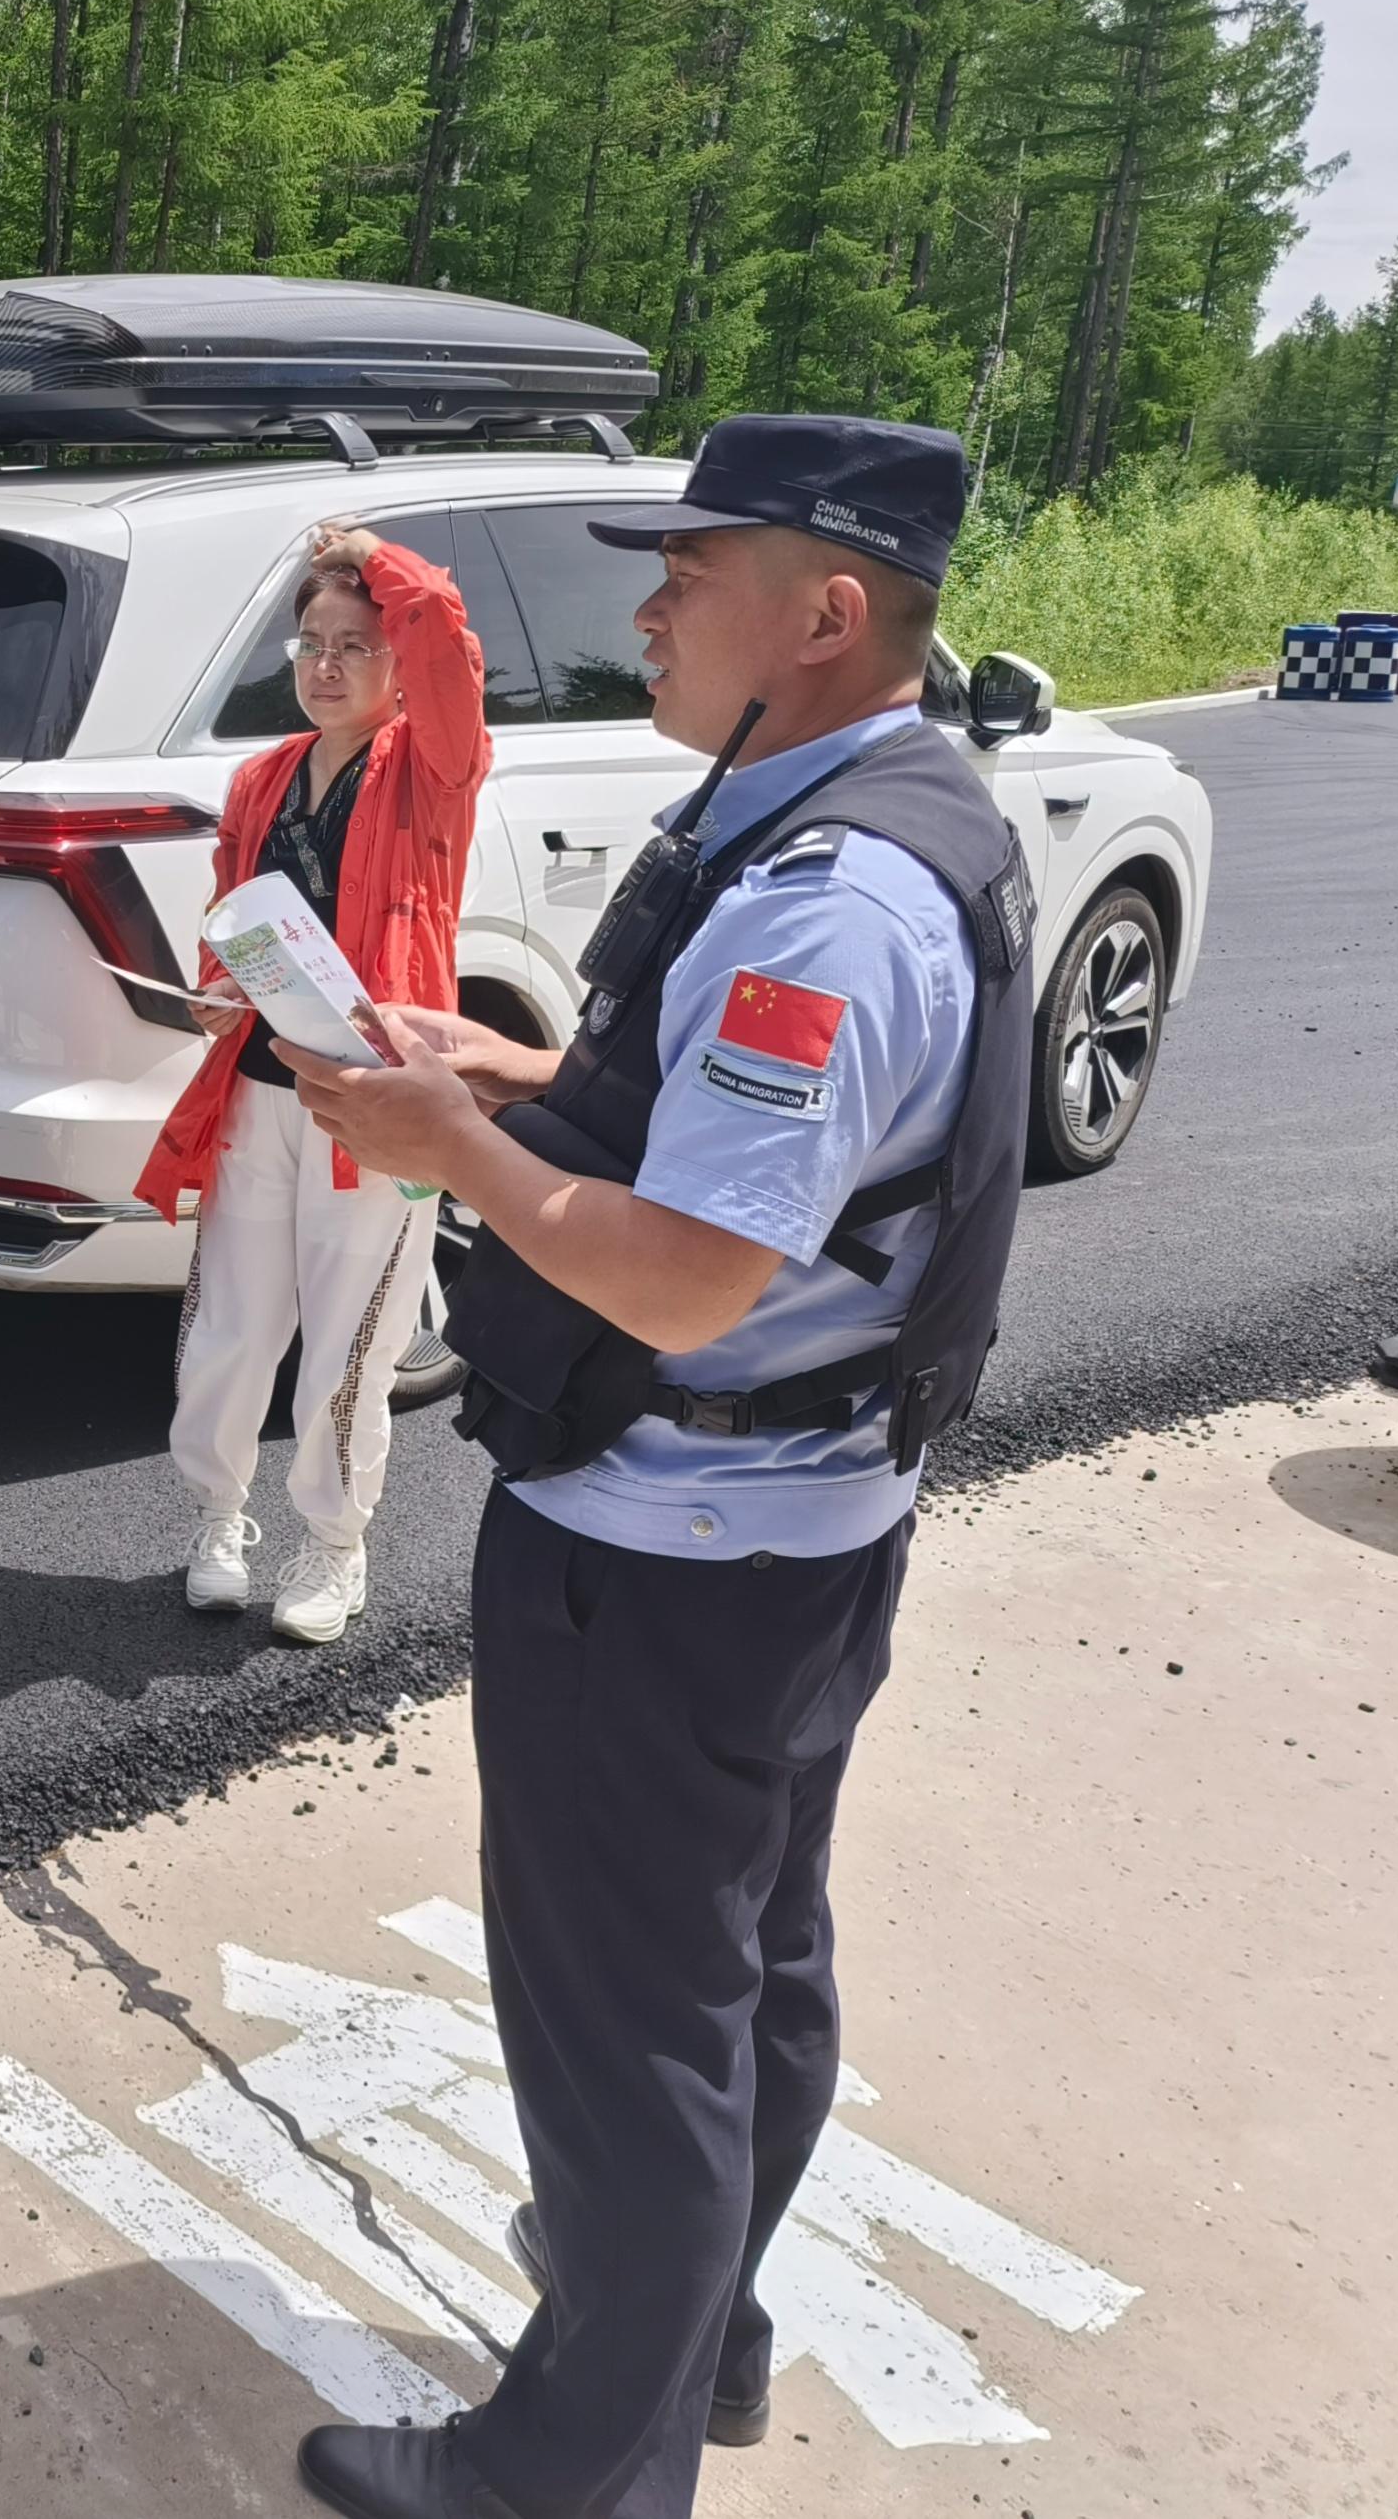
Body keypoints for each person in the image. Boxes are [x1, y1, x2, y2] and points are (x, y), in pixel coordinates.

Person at [273, 416, 1034, 2519]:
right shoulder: (877, 814)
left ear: (824, 611)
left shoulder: (823, 902)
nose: (645, 610)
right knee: (740, 1969)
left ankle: (566, 2468)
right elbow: (756, 1147)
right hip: (795, 1533)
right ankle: (701, 2325)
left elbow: (691, 1276)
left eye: (688, 577)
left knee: (628, 2034)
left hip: (670, 1546)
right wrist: (515, 1067)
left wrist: (456, 1149)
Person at [136, 518, 490, 1637]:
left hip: (373, 1101)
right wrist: (214, 984)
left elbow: (446, 636)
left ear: (399, 664)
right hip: (256, 1083)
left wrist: (374, 554)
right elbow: (235, 914)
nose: (326, 665)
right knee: (231, 1325)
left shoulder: (430, 768)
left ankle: (334, 1547)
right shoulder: (260, 777)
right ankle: (217, 1516)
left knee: (352, 1338)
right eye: (310, 644)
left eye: (354, 645)